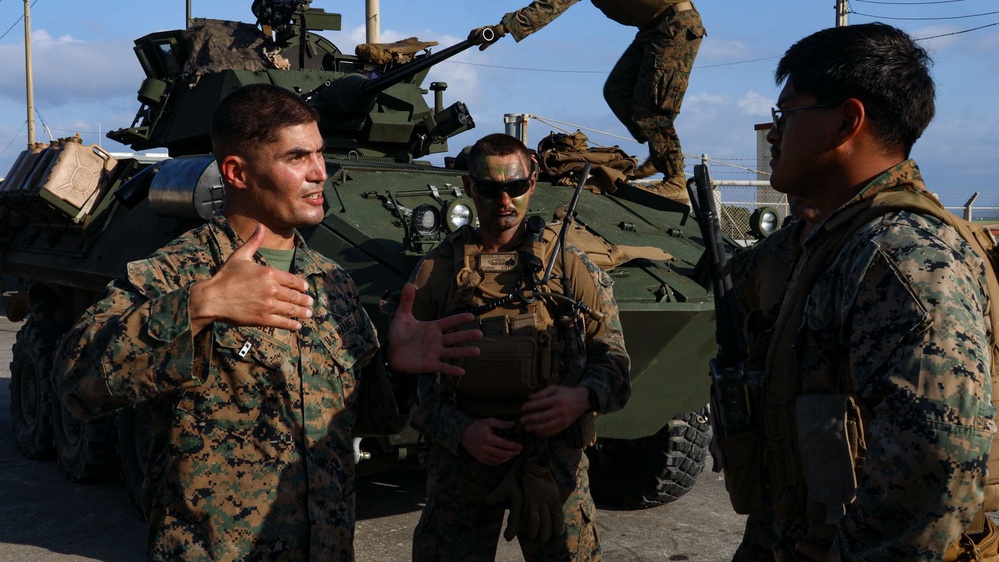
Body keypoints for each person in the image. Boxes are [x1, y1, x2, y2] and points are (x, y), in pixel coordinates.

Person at [53, 83, 482, 561]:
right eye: (297, 157)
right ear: (236, 171)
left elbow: (369, 420)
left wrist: (400, 368)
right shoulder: (180, 272)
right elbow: (76, 384)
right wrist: (198, 307)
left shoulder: (331, 282)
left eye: (320, 154)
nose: (320, 173)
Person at [717, 23, 997, 560]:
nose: (774, 134)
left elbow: (936, 468)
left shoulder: (900, 257)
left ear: (847, 120)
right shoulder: (836, 242)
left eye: (787, 114)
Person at [408, 133, 631, 561]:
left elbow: (615, 362)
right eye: (490, 189)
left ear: (532, 183)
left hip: (554, 463)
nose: (505, 200)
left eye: (515, 187)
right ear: (470, 187)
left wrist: (580, 397)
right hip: (464, 464)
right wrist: (461, 431)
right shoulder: (437, 271)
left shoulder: (567, 264)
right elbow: (407, 383)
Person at [469, 0, 705, 199]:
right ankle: (661, 152)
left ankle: (676, 181)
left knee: (652, 109)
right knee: (617, 90)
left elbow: (550, 5)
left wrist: (501, 29)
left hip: (674, 25)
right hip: (653, 29)